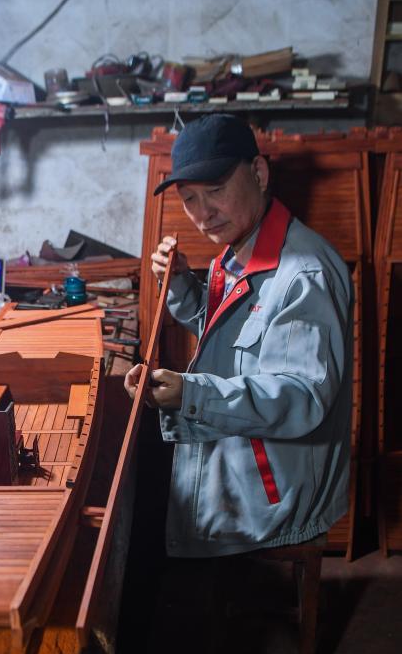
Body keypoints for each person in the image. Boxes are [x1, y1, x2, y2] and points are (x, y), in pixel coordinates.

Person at [124, 113, 353, 557]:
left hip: (274, 494)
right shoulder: (235, 255)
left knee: (132, 535)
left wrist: (191, 394)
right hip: (241, 457)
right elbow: (232, 337)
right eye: (190, 199)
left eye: (216, 190)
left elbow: (301, 397)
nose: (203, 213)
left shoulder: (304, 273)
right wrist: (180, 285)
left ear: (259, 174)